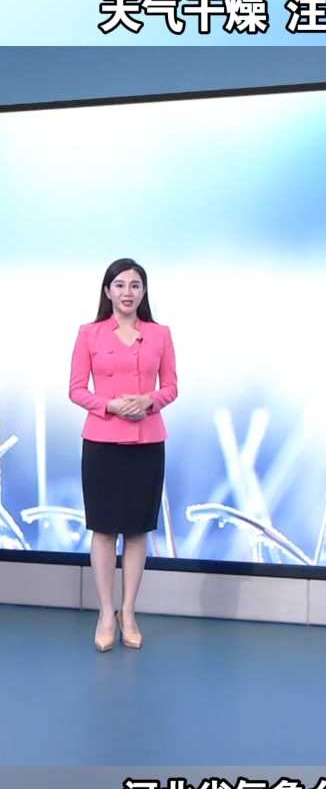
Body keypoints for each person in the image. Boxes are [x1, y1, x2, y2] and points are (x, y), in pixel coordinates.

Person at [69, 258, 178, 652]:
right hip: (102, 442)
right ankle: (105, 613)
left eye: (135, 285)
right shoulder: (89, 334)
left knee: (136, 529)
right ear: (107, 291)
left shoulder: (160, 334)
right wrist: (110, 405)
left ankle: (128, 612)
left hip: (147, 443)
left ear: (143, 291)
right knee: (103, 529)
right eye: (120, 285)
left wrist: (148, 401)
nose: (127, 292)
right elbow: (76, 389)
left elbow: (172, 387)